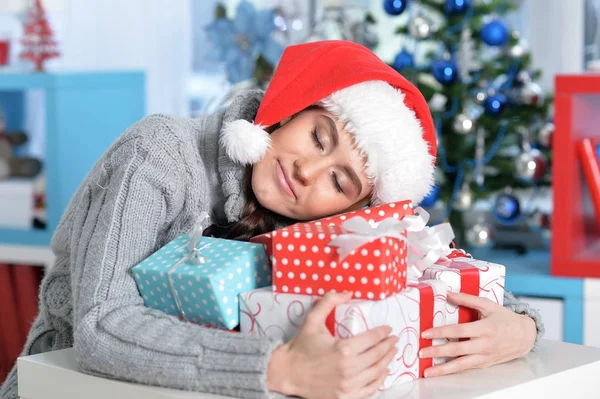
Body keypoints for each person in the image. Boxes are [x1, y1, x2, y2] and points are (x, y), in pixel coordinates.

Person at [0, 40, 543, 399]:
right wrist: (280, 368)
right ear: (288, 108)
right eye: (317, 137)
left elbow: (434, 266)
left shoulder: (314, 224)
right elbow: (99, 327)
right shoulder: (161, 152)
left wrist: (521, 328)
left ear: (354, 210)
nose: (309, 172)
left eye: (340, 181)